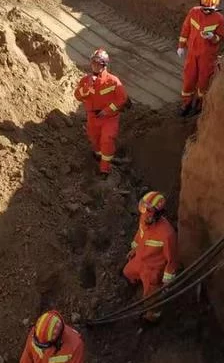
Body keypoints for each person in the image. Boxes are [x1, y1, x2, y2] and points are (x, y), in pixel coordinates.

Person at [123, 191, 178, 322]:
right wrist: (134, 249)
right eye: (143, 208)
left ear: (157, 214)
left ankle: (152, 317)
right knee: (127, 272)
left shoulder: (167, 234)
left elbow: (172, 261)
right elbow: (139, 235)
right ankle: (136, 286)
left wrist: (166, 283)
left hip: (153, 271)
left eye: (148, 210)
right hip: (140, 260)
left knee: (151, 300)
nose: (144, 213)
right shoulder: (144, 220)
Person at [74, 48, 128, 178]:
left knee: (107, 139)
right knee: (94, 138)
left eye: (98, 64)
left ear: (104, 65)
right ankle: (98, 155)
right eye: (93, 63)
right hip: (93, 117)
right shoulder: (86, 80)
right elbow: (77, 95)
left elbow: (122, 98)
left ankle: (105, 168)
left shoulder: (113, 81)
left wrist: (107, 110)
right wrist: (86, 89)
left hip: (109, 118)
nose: (95, 66)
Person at [177, 0, 224, 117]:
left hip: (207, 55)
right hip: (192, 53)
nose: (207, 11)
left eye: (210, 9)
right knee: (189, 78)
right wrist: (181, 46)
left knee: (204, 81)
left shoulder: (219, 19)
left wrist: (212, 37)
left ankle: (199, 103)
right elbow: (186, 28)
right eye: (205, 9)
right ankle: (186, 103)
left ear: (215, 7)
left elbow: (220, 37)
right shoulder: (193, 12)